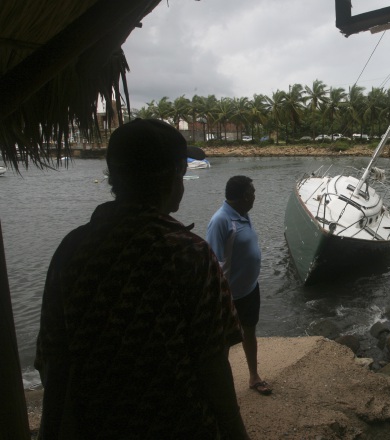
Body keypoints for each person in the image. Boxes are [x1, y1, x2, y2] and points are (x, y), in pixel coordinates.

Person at [34, 119, 249, 439]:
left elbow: (53, 360)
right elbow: (212, 364)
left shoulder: (72, 249)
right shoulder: (187, 254)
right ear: (170, 177)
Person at [206, 176, 271, 396]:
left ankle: (254, 377)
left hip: (250, 289)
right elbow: (213, 260)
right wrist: (218, 294)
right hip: (229, 294)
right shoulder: (221, 221)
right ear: (244, 196)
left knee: (249, 332)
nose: (254, 197)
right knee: (223, 340)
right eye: (252, 193)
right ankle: (219, 386)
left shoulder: (243, 215)